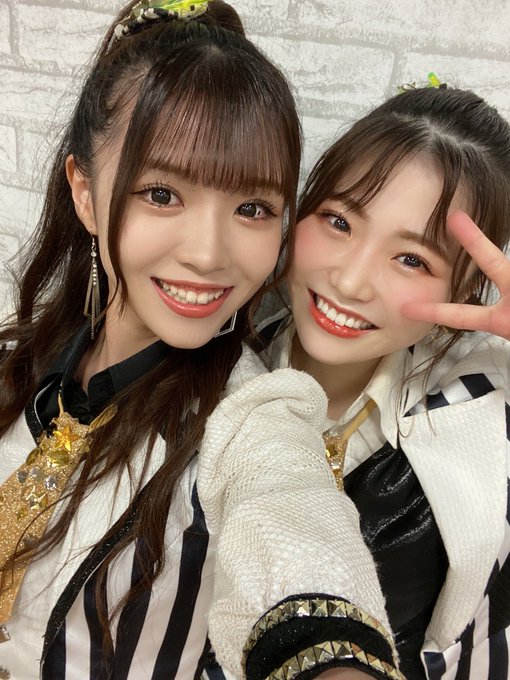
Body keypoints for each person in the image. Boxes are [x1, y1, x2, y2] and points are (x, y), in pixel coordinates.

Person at [0, 1, 402, 679]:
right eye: (162, 194)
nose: (210, 254)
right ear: (86, 193)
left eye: (253, 208)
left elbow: (293, 521)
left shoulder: (252, 418)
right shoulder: (27, 356)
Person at [258, 85, 510, 679]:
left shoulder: (484, 409)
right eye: (339, 221)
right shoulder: (212, 360)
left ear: (465, 289)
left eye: (411, 259)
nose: (350, 281)